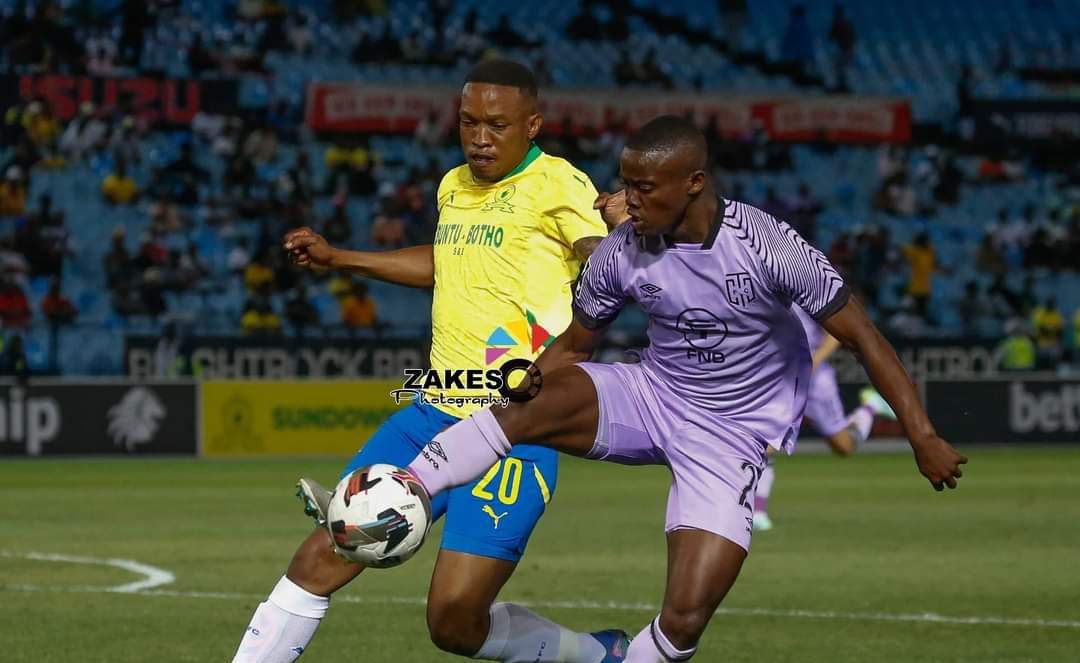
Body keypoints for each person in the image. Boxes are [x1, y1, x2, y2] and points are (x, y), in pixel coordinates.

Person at [404, 116, 967, 662]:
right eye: (626, 184)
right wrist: (526, 383)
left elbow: (864, 337)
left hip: (731, 433)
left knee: (685, 616)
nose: (628, 199)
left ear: (693, 183)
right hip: (653, 394)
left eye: (644, 187)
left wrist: (922, 435)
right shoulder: (623, 251)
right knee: (529, 403)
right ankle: (404, 491)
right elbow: (575, 347)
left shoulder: (766, 244)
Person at [233, 60, 622, 663]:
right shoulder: (453, 185)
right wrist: (341, 259)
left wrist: (609, 249)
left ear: (533, 125)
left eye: (497, 124)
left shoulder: (560, 185)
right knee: (320, 557)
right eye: (469, 121)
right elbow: (446, 263)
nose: (479, 137)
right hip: (429, 413)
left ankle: (596, 657)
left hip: (513, 428)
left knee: (453, 623)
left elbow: (605, 264)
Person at [752, 306, 897, 531]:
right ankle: (757, 512)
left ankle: (870, 406)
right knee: (764, 443)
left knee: (844, 447)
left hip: (816, 382)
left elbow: (834, 334)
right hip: (781, 380)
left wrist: (814, 361)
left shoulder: (805, 290)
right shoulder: (761, 290)